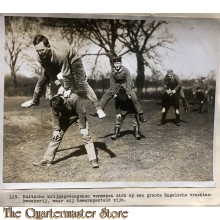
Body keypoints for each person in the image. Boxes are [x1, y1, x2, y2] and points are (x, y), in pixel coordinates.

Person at [21, 34, 106, 119]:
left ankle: (98, 108)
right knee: (41, 80)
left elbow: (66, 74)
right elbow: (50, 73)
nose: (40, 53)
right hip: (55, 62)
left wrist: (66, 88)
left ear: (48, 47)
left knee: (82, 82)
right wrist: (59, 85)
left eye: (42, 50)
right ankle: (35, 101)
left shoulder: (60, 54)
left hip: (73, 59)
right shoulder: (40, 57)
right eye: (37, 51)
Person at [33, 93, 99, 168]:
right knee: (56, 137)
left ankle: (93, 159)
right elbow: (55, 116)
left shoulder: (74, 99)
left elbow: (81, 113)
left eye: (59, 109)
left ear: (64, 102)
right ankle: (47, 159)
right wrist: (56, 130)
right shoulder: (54, 102)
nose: (57, 110)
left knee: (86, 135)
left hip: (78, 116)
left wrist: (83, 128)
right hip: (65, 117)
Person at [92, 56, 146, 122]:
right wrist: (114, 93)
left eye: (118, 63)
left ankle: (140, 114)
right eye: (115, 64)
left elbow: (129, 81)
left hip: (127, 85)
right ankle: (99, 111)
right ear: (113, 64)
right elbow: (112, 83)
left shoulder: (125, 70)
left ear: (120, 63)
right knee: (105, 96)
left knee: (134, 98)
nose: (117, 65)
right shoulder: (112, 72)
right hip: (117, 86)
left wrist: (128, 93)